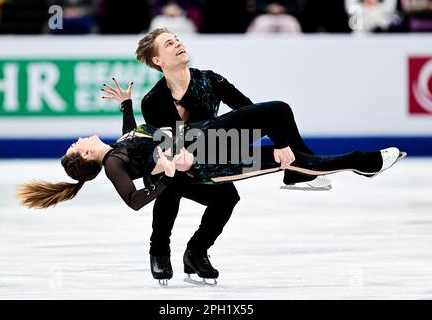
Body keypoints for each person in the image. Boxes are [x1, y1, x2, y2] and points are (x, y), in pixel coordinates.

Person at [16, 80, 406, 284]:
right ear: (85, 156)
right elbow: (134, 200)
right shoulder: (115, 161)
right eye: (76, 145)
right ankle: (363, 162)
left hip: (205, 144)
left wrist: (126, 106)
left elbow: (135, 137)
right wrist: (165, 178)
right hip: (210, 163)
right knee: (290, 158)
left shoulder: (119, 146)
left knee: (273, 146)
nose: (78, 139)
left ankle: (195, 252)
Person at [134, 28, 329, 285]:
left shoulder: (210, 80)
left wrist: (280, 142)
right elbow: (172, 147)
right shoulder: (153, 101)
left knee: (227, 198)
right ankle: (158, 250)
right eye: (169, 43)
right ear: (157, 60)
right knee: (171, 186)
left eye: (178, 39)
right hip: (174, 161)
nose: (178, 44)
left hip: (213, 151)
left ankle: (196, 251)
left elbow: (250, 111)